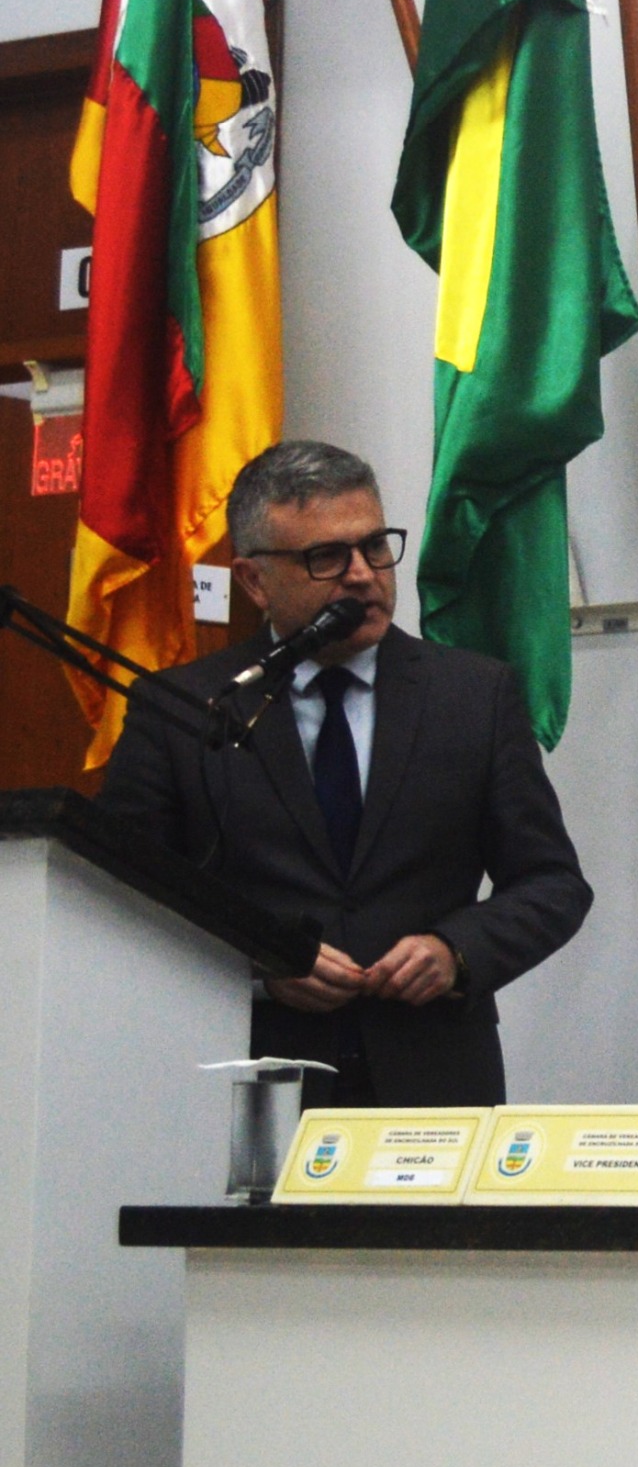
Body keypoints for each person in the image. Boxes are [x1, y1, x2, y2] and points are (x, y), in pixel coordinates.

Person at [93, 440, 592, 1108]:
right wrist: (257, 965)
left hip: (432, 1083)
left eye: (375, 546)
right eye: (326, 557)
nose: (362, 575)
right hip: (248, 1085)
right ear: (253, 580)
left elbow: (552, 883)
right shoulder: (184, 708)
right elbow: (122, 902)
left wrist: (455, 951)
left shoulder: (475, 696)